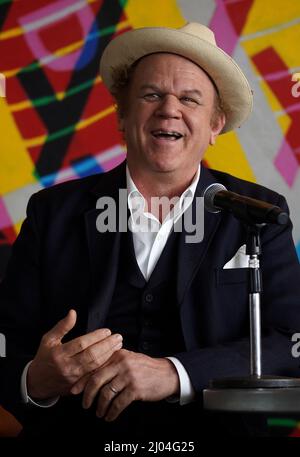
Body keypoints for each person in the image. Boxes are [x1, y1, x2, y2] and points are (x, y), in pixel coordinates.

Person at [0, 22, 300, 441]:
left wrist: (176, 374)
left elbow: (292, 343)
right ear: (122, 114)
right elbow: (7, 351)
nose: (169, 109)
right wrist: (37, 379)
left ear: (215, 125)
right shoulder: (51, 212)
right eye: (152, 94)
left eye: (190, 99)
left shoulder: (260, 214)